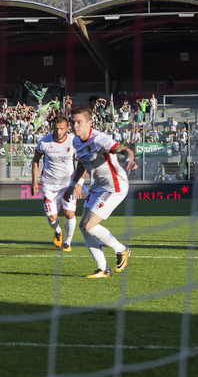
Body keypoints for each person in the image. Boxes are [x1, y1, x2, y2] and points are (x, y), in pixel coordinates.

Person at [64, 107, 138, 278]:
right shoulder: (76, 141)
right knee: (83, 227)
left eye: (79, 122)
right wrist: (73, 184)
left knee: (90, 225)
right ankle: (103, 269)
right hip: (97, 186)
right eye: (73, 122)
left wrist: (129, 159)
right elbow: (82, 164)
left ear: (89, 123)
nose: (75, 125)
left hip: (115, 186)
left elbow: (125, 150)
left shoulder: (99, 140)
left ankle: (122, 250)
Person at [30, 114, 83, 251]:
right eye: (56, 129)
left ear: (67, 128)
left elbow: (83, 162)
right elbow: (35, 160)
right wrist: (34, 182)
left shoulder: (74, 141)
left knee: (69, 214)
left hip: (68, 184)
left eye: (61, 129)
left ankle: (67, 242)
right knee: (52, 217)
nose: (58, 132)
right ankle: (58, 230)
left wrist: (79, 183)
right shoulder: (44, 142)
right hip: (49, 185)